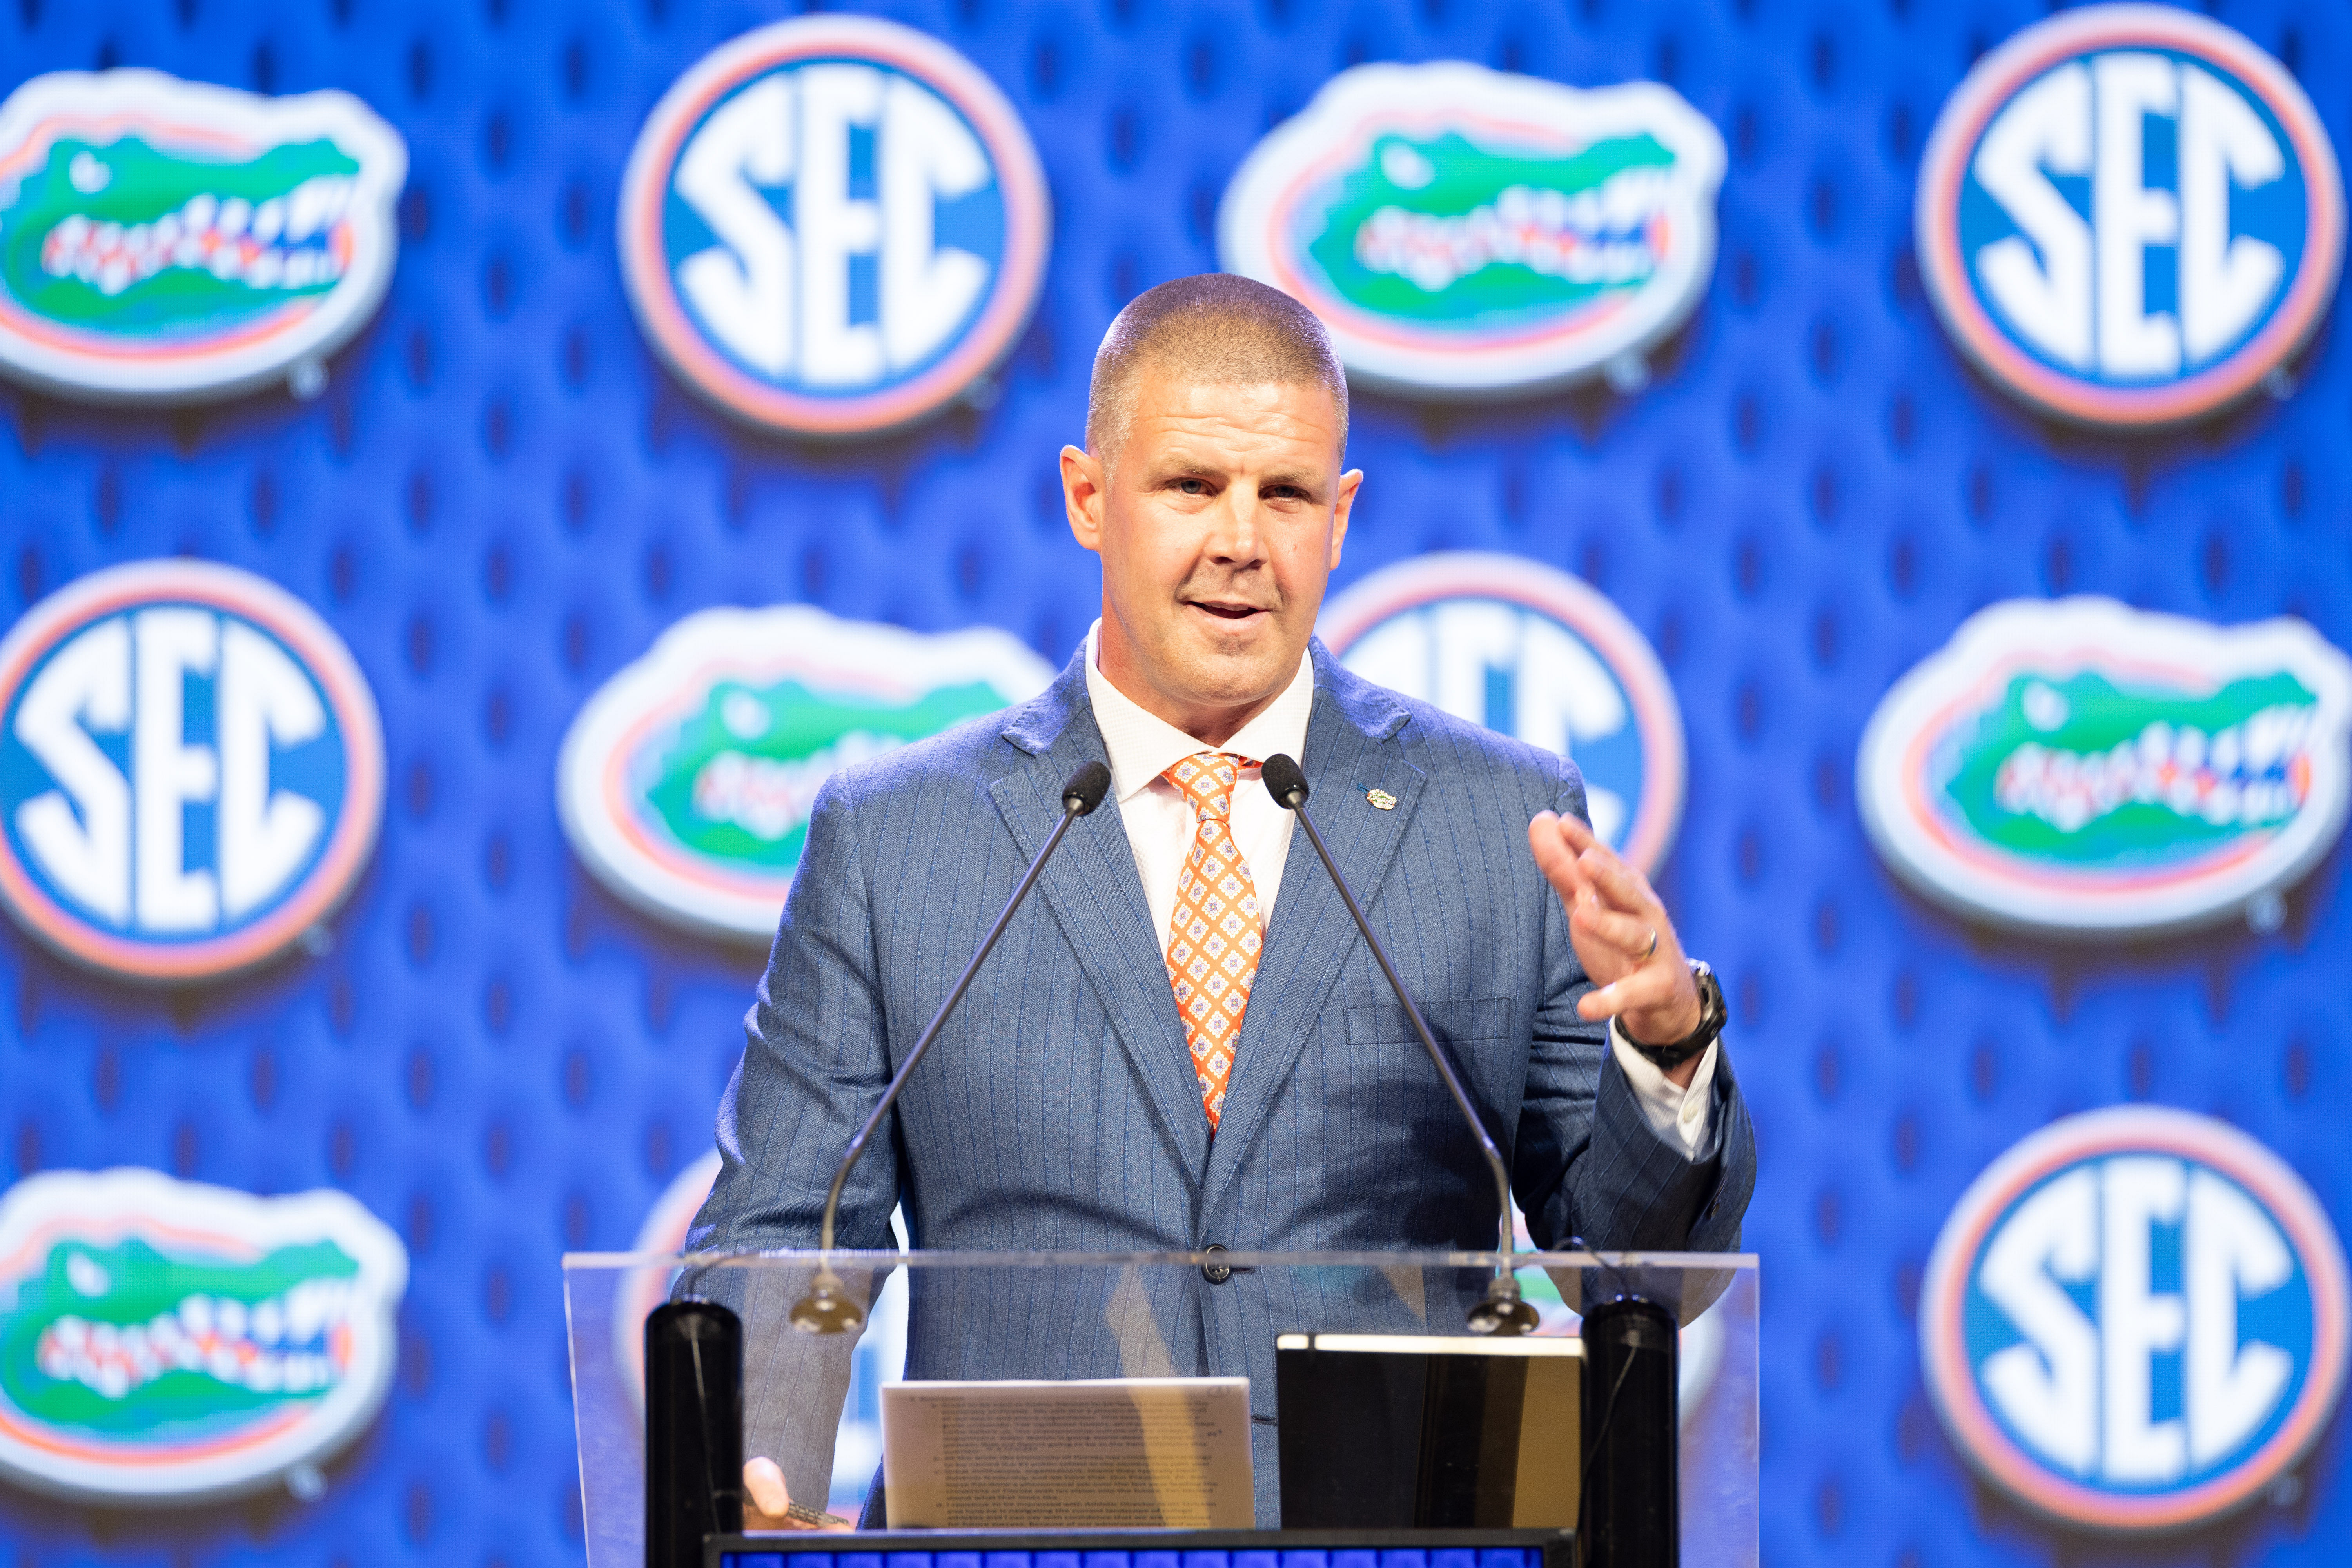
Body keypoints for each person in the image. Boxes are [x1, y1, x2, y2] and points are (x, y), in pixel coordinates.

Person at [686, 274, 1755, 1528]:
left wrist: (1667, 1049)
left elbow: (1632, 1271)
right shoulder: (898, 840)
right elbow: (781, 1236)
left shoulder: (1496, 820)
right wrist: (752, 1482)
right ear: (1090, 496)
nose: (1241, 540)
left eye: (1286, 494)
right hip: (1013, 1547)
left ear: (1341, 516)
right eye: (1192, 486)